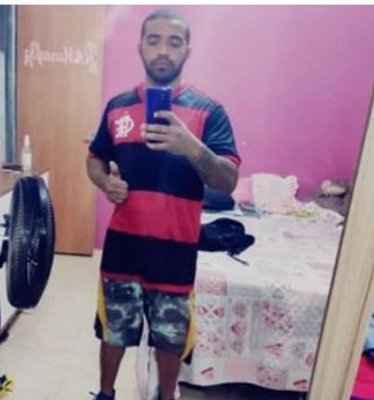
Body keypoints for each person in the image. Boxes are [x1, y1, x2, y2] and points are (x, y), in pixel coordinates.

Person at [86, 8, 240, 400]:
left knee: (170, 338)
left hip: (175, 252)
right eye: (153, 40)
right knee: (113, 329)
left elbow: (228, 181)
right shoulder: (117, 106)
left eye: (174, 42)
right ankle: (105, 393)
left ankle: (165, 397)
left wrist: (191, 146)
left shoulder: (209, 112)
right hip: (122, 249)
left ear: (188, 50)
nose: (163, 51)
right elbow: (95, 159)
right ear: (140, 46)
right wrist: (106, 183)